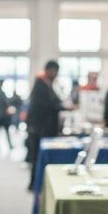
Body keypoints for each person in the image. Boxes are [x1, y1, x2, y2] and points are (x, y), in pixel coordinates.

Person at [25, 60, 64, 190]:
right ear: (49, 70)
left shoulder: (46, 83)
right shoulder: (41, 84)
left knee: (37, 157)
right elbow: (46, 105)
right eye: (55, 71)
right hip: (39, 128)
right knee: (37, 157)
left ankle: (36, 183)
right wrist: (61, 107)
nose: (56, 74)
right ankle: (34, 184)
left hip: (41, 127)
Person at [0, 79, 15, 153]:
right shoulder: (2, 93)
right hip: (3, 115)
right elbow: (6, 103)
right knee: (5, 131)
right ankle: (8, 145)